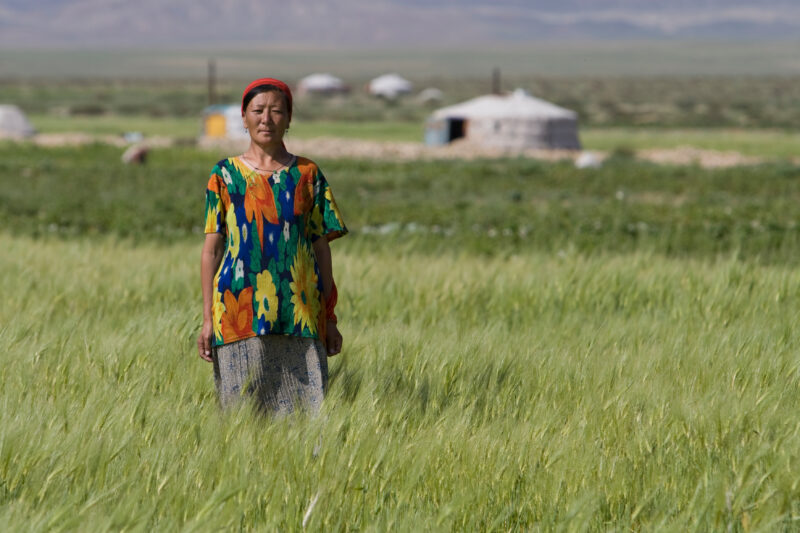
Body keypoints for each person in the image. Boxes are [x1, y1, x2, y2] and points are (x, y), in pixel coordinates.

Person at [196, 77, 347, 415]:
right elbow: (211, 250)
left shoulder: (308, 174)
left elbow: (322, 249)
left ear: (289, 118)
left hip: (300, 315)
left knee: (306, 422)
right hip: (238, 315)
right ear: (244, 117)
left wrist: (330, 316)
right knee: (240, 420)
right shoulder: (224, 174)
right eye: (258, 111)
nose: (267, 119)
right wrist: (207, 319)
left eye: (277, 111)